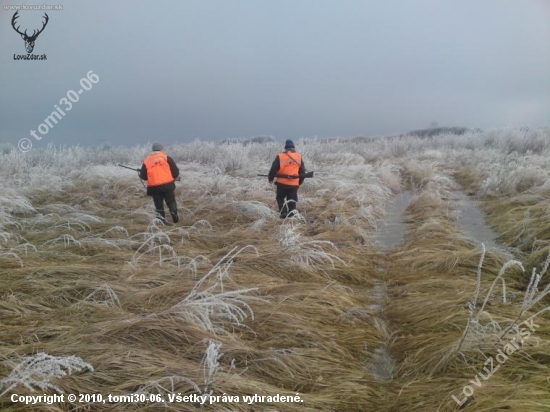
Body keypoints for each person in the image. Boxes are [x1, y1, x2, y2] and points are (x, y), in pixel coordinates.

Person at [139, 142, 180, 225]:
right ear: (161, 149)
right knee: (171, 201)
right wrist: (172, 178)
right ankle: (174, 217)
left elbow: (143, 176)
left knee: (158, 205)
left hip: (154, 187)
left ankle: (161, 222)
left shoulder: (147, 160)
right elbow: (176, 171)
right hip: (167, 185)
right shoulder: (166, 157)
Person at [268, 139, 306, 218]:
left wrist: (270, 178)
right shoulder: (298, 156)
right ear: (293, 147)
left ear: (285, 147)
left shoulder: (280, 156)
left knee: (280, 198)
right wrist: (299, 182)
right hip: (294, 184)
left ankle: (283, 213)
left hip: (282, 183)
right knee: (292, 199)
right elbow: (302, 172)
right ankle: (292, 214)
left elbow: (273, 168)